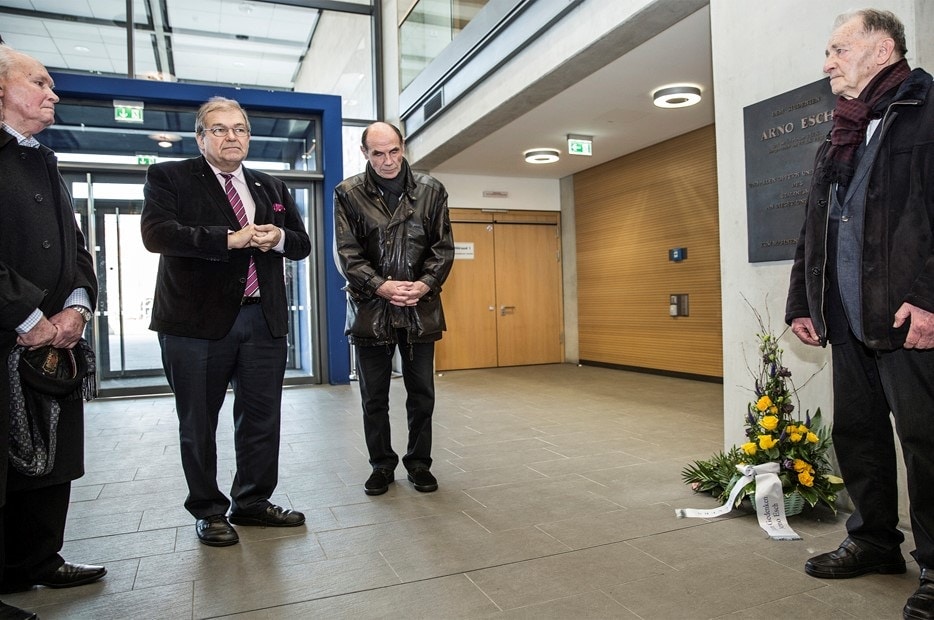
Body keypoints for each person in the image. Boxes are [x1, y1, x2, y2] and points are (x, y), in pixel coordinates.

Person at [785, 9, 934, 619]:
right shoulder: (842, 130)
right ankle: (874, 541)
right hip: (847, 315)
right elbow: (814, 224)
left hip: (908, 316)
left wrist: (929, 296)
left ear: (882, 49)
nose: (827, 63)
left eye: (838, 49)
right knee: (858, 433)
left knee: (925, 439)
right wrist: (803, 300)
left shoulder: (926, 110)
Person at [141, 97, 311, 546]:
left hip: (263, 320)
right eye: (219, 129)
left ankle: (252, 501)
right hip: (194, 325)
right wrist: (228, 240)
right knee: (198, 422)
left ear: (249, 137)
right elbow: (157, 234)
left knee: (261, 419)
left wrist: (278, 237)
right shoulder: (170, 177)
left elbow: (302, 243)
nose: (231, 136)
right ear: (201, 138)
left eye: (239, 129)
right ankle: (209, 510)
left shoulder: (271, 186)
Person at [0, 44, 105, 617]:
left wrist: (78, 307)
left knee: (53, 456)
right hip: (12, 335)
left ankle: (37, 559)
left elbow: (76, 246)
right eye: (39, 82)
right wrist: (28, 315)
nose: (52, 93)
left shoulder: (44, 158)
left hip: (55, 341)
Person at [334, 122, 454, 496]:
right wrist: (380, 286)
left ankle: (419, 464)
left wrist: (425, 283)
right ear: (365, 153)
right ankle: (382, 465)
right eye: (378, 153)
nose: (387, 161)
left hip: (420, 307)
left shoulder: (432, 191)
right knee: (374, 398)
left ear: (403, 147)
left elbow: (442, 249)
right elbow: (348, 253)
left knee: (422, 395)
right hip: (372, 309)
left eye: (394, 151)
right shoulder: (348, 193)